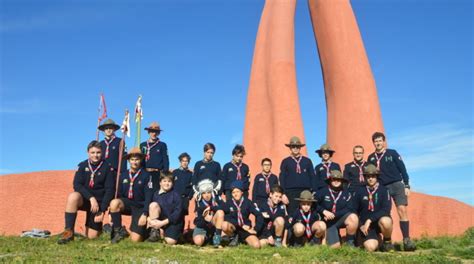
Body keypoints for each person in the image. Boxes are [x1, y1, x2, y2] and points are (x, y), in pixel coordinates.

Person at [58, 140, 115, 244]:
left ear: (101, 152)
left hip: (98, 204)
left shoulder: (107, 167)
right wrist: (91, 198)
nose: (95, 155)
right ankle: (68, 231)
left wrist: (102, 210)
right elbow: (77, 185)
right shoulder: (83, 165)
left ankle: (100, 229)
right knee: (73, 197)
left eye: (98, 152)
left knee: (92, 237)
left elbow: (109, 190)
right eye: (92, 152)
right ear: (88, 152)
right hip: (85, 199)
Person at [367, 132, 416, 251]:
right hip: (383, 187)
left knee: (402, 210)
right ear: (373, 143)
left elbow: (402, 168)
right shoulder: (371, 157)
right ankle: (387, 241)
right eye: (376, 141)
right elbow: (370, 175)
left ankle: (406, 239)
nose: (378, 143)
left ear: (384, 142)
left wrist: (407, 185)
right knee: (384, 213)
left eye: (380, 140)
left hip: (397, 185)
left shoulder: (392, 153)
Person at [108, 147, 152, 243]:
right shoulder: (123, 175)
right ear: (128, 160)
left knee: (135, 240)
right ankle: (119, 231)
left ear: (141, 160)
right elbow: (118, 194)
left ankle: (147, 231)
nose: (134, 162)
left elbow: (149, 196)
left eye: (137, 159)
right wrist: (111, 212)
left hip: (139, 206)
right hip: (127, 203)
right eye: (132, 159)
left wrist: (145, 213)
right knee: (114, 203)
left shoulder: (146, 175)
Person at [353, 164, 394, 252]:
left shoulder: (384, 190)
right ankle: (376, 240)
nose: (370, 179)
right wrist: (360, 225)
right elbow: (354, 210)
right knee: (370, 247)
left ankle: (387, 242)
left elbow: (386, 209)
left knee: (386, 221)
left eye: (373, 176)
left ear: (377, 177)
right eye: (368, 176)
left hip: (379, 222)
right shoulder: (359, 190)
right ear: (365, 177)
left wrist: (370, 219)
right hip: (366, 226)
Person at [315, 170, 358, 248]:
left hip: (339, 219)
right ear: (330, 180)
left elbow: (349, 208)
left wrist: (334, 214)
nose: (336, 181)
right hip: (327, 222)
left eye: (338, 179)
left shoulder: (346, 193)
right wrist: (323, 211)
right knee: (335, 247)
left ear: (341, 181)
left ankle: (350, 243)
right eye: (334, 179)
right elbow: (314, 205)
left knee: (353, 217)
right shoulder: (322, 191)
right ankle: (324, 238)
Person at [279, 136, 316, 215]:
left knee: (306, 214)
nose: (295, 148)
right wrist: (283, 194)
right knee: (292, 215)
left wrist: (313, 192)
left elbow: (313, 176)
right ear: (290, 148)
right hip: (290, 193)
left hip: (305, 191)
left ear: (300, 148)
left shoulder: (307, 161)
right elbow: (282, 178)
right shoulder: (285, 161)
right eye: (293, 147)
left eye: (297, 147)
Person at [221, 181, 262, 248]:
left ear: (242, 192)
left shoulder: (248, 202)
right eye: (233, 192)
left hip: (246, 229)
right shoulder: (229, 203)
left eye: (237, 191)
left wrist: (256, 229)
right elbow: (226, 218)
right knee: (224, 225)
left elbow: (259, 215)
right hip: (234, 229)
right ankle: (233, 237)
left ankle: (241, 240)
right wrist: (240, 225)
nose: (235, 194)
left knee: (256, 245)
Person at [147, 172, 183, 245]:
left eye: (169, 181)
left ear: (172, 183)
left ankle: (178, 235)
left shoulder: (176, 195)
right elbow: (150, 209)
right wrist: (150, 220)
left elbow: (177, 213)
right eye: (164, 181)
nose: (167, 184)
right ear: (160, 182)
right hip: (158, 221)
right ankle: (155, 232)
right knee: (153, 205)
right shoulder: (155, 194)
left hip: (171, 222)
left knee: (170, 241)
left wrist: (162, 223)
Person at [192, 179, 225, 247]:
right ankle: (208, 238)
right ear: (201, 194)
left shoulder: (216, 198)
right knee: (198, 242)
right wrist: (205, 220)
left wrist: (212, 207)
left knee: (220, 212)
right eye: (204, 193)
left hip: (215, 226)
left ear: (212, 192)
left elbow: (225, 207)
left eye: (209, 192)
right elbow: (197, 222)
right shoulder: (199, 202)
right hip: (202, 227)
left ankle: (217, 240)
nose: (207, 195)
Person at [140, 122, 169, 192]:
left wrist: (165, 174)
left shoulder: (162, 145)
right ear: (148, 132)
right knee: (144, 191)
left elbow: (166, 160)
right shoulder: (142, 145)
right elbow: (140, 160)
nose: (154, 133)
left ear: (158, 133)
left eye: (156, 132)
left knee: (156, 192)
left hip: (157, 173)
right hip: (145, 172)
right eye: (152, 131)